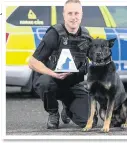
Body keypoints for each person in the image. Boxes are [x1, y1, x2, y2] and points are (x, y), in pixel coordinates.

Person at [28, 0, 98, 129]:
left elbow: (94, 61)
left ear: (81, 15)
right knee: (45, 83)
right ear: (64, 15)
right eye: (70, 13)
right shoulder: (54, 34)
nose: (73, 17)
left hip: (72, 84)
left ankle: (68, 107)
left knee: (90, 122)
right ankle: (53, 112)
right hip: (53, 81)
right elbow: (32, 62)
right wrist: (53, 74)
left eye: (76, 13)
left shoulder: (86, 36)